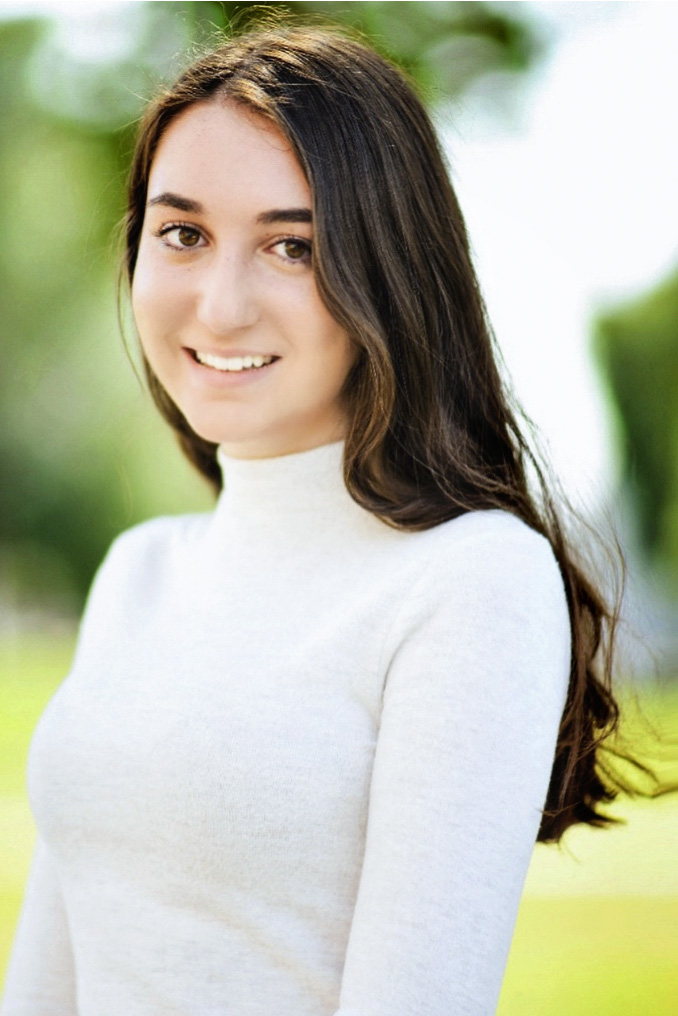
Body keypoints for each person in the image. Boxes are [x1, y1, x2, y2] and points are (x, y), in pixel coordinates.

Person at [1, 23, 628, 1016]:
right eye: (184, 233)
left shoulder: (471, 579)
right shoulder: (141, 569)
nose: (220, 303)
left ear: (389, 273)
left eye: (293, 246)